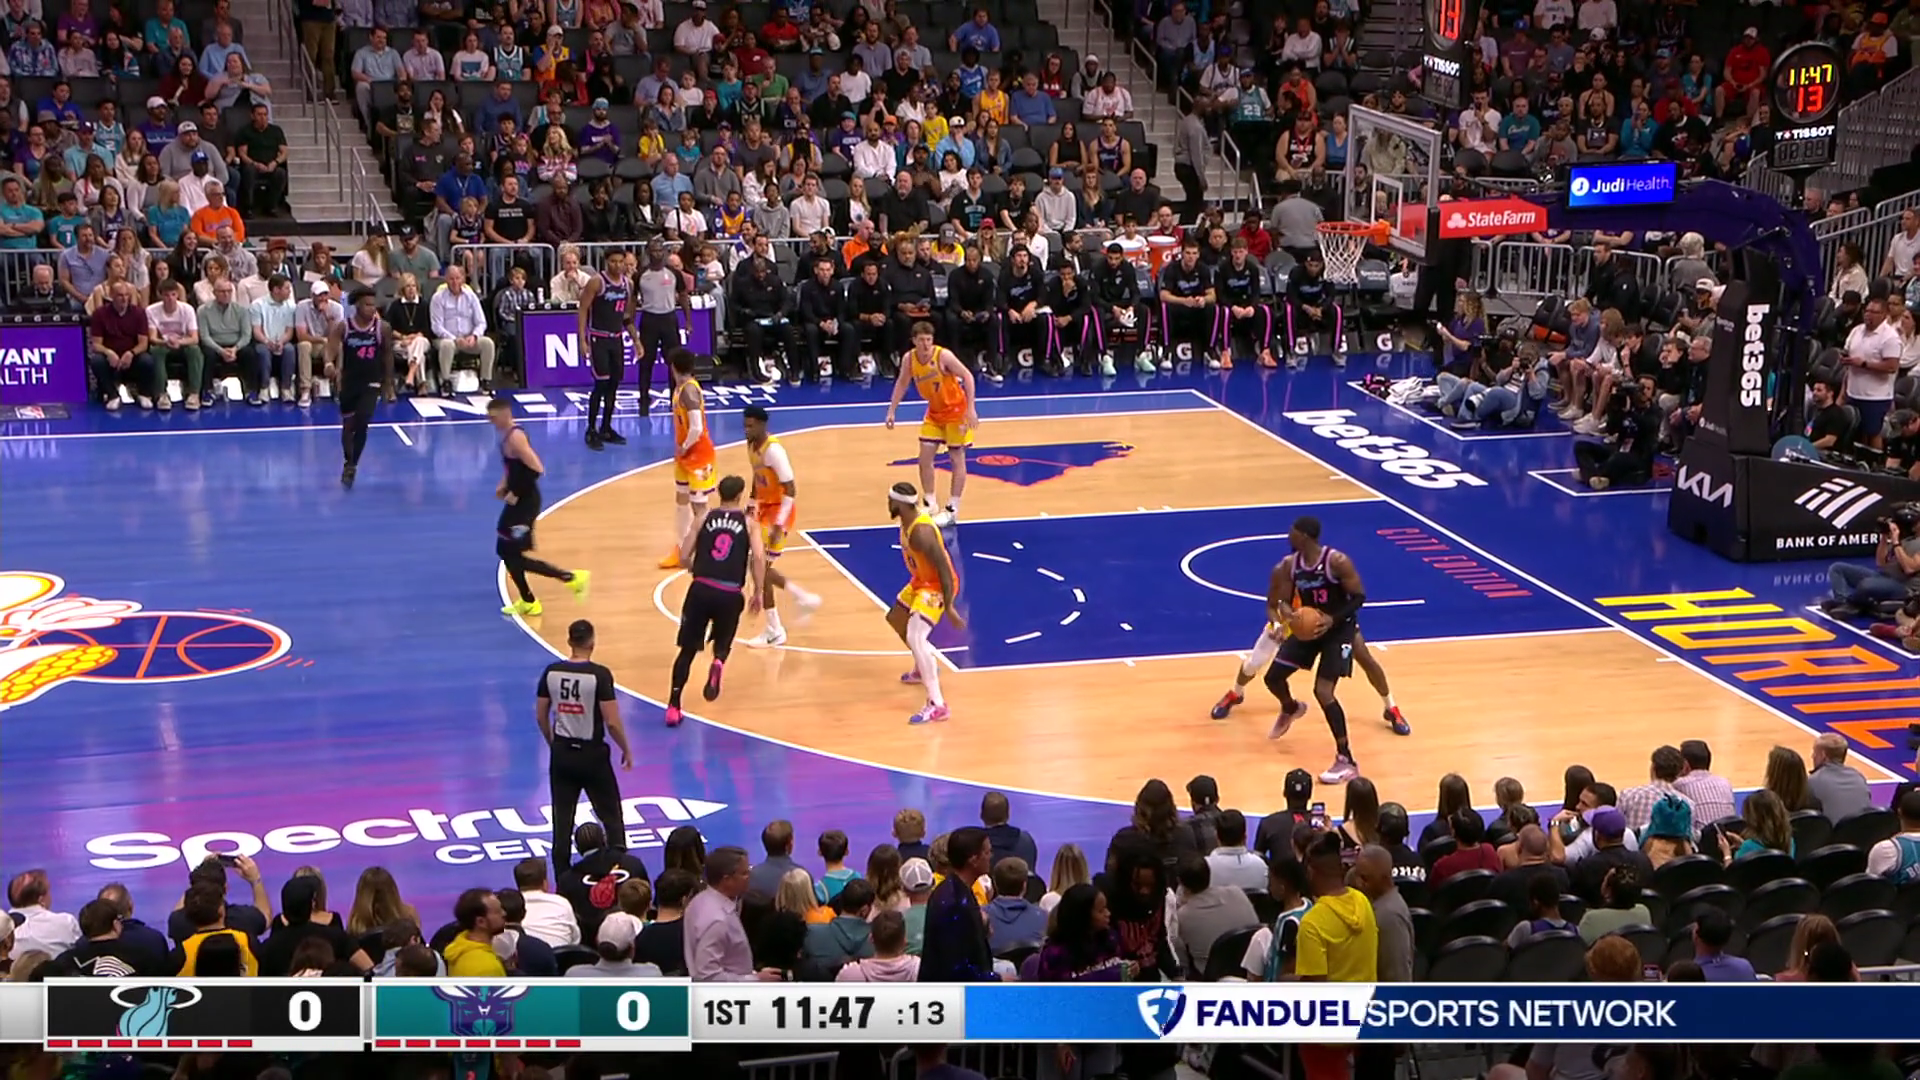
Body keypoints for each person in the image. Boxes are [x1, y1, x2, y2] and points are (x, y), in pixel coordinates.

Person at [1259, 516, 1372, 782]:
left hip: (1339, 629)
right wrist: (1288, 617)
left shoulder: (1337, 562)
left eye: (1292, 532)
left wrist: (1332, 619)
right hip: (1309, 628)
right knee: (1273, 678)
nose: (1288, 536)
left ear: (1305, 536)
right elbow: (1281, 602)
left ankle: (1346, 759)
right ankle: (1290, 707)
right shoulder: (1290, 566)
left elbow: (1359, 597)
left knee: (1323, 691)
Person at [665, 474, 768, 728]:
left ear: (720, 494)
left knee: (687, 651)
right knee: (723, 641)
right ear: (739, 496)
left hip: (701, 589)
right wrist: (758, 591)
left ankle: (674, 705)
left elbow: (684, 556)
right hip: (730, 593)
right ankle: (719, 660)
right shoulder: (749, 523)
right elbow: (758, 557)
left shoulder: (703, 517)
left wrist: (694, 568)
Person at [537, 618, 632, 878]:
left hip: (562, 754)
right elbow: (612, 722)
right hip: (592, 756)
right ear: (592, 642)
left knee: (562, 821)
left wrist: (553, 743)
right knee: (611, 817)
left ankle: (563, 880)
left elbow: (541, 714)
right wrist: (626, 748)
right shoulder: (599, 675)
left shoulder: (551, 672)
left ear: (569, 641)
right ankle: (620, 873)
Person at [488, 397, 590, 617]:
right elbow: (514, 467)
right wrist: (504, 484)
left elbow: (536, 468)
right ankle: (529, 600)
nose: (491, 422)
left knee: (510, 552)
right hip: (519, 501)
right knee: (505, 550)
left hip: (525, 504)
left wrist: (515, 492)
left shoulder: (516, 437)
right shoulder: (507, 437)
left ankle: (570, 578)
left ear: (505, 415)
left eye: (493, 417)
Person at [740, 406, 822, 648]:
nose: (747, 430)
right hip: (765, 509)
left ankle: (775, 629)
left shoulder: (774, 451)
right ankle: (801, 598)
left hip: (779, 511)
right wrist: (751, 505)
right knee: (758, 565)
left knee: (759, 566)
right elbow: (757, 478)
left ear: (763, 425)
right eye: (745, 425)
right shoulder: (752, 446)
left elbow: (791, 489)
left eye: (751, 426)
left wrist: (778, 523)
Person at [885, 321, 979, 527]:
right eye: (921, 340)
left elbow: (968, 376)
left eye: (929, 340)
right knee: (924, 457)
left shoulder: (943, 356)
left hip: (956, 412)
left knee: (956, 458)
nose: (926, 344)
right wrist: (892, 410)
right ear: (914, 341)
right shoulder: (909, 359)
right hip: (935, 413)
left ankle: (952, 509)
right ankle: (930, 502)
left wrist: (971, 408)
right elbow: (902, 383)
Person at [886, 481, 965, 725]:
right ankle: (923, 668)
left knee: (916, 637)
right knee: (896, 617)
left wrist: (949, 606)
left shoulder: (921, 532)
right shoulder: (906, 520)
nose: (888, 504)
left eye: (891, 500)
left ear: (900, 504)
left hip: (937, 586)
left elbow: (944, 568)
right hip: (922, 580)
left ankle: (937, 704)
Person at [659, 349, 720, 569]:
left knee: (700, 506)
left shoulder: (689, 391)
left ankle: (709, 549)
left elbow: (696, 427)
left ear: (673, 367)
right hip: (685, 457)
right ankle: (682, 547)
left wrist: (684, 447)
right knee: (682, 500)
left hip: (699, 456)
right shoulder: (681, 387)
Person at [574, 247, 637, 450]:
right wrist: (582, 340)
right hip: (598, 338)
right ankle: (591, 429)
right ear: (606, 262)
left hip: (616, 339)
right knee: (601, 384)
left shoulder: (628, 284)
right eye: (613, 261)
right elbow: (583, 309)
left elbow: (626, 316)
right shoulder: (597, 282)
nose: (617, 265)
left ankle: (606, 428)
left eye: (620, 262)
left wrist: (636, 340)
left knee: (614, 385)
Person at [324, 287, 386, 488]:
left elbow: (388, 356)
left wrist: (389, 384)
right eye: (367, 305)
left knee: (363, 421)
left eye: (373, 305)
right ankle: (348, 460)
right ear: (357, 306)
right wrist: (328, 363)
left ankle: (352, 465)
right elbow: (331, 347)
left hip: (371, 381)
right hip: (349, 382)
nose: (372, 308)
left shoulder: (382, 328)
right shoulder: (344, 327)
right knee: (348, 426)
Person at [919, 826, 997, 980]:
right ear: (973, 860)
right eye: (987, 852)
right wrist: (995, 979)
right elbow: (955, 966)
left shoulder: (960, 890)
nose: (991, 857)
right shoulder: (953, 903)